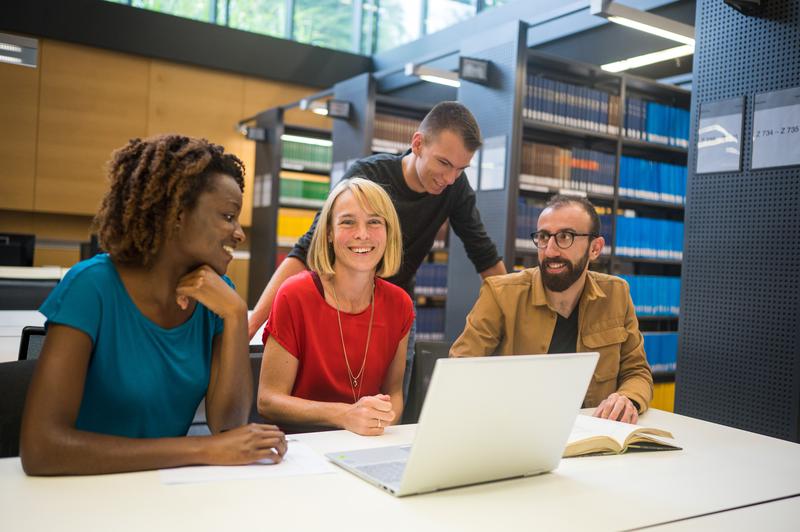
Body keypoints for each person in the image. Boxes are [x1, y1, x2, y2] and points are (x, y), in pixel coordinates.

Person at [20, 134, 287, 476]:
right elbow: (42, 449)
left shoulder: (219, 299)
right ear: (177, 214)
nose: (239, 233)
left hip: (162, 489)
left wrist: (236, 314)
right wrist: (201, 449)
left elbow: (228, 426)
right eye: (228, 216)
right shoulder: (92, 286)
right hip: (81, 490)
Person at [248, 102, 506, 397]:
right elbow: (307, 250)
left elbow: (484, 254)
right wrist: (253, 325)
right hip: (340, 307)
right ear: (418, 144)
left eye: (461, 169)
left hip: (394, 314)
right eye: (444, 163)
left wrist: (514, 314)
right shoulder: (368, 177)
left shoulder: (455, 189)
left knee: (391, 403)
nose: (450, 179)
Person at [450, 195, 653, 423]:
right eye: (544, 237)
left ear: (595, 249)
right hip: (516, 432)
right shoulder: (501, 294)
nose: (550, 251)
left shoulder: (616, 294)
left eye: (565, 237)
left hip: (594, 434)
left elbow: (637, 372)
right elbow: (460, 371)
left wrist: (627, 398)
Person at [257, 178, 413, 436]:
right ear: (329, 232)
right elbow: (268, 400)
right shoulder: (294, 295)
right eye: (348, 222)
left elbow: (393, 393)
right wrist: (344, 415)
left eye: (374, 222)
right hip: (301, 449)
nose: (362, 234)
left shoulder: (400, 304)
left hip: (364, 444)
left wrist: (381, 421)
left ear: (389, 232)